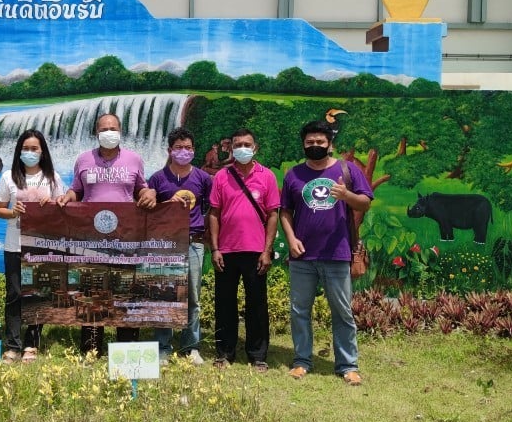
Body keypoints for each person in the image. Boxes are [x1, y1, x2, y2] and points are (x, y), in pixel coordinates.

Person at [280, 120, 372, 386]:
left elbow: (365, 202)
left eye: (320, 142)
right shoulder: (293, 175)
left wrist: (346, 195)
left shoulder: (348, 169)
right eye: (310, 142)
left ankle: (348, 365)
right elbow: (285, 211)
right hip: (302, 256)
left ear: (330, 143)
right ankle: (301, 361)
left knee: (342, 311)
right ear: (303, 144)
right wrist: (291, 238)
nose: (315, 146)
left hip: (337, 253)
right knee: (299, 310)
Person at [58, 112, 156, 354]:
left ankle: (126, 350)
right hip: (91, 239)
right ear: (96, 133)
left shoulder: (134, 160)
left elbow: (141, 189)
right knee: (92, 293)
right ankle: (91, 350)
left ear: (120, 132)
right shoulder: (83, 160)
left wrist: (150, 193)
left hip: (124, 240)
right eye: (104, 129)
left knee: (124, 293)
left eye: (113, 128)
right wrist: (66, 197)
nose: (109, 133)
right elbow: (76, 190)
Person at [207, 128, 280, 371]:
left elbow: (272, 215)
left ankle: (257, 354)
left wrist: (267, 250)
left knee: (257, 304)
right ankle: (224, 352)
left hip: (256, 251)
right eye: (238, 144)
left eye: (247, 144)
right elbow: (214, 213)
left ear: (255, 147)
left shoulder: (267, 176)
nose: (242, 149)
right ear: (230, 148)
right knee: (224, 303)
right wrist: (215, 248)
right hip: (226, 251)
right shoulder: (222, 177)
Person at [0, 129, 67, 363]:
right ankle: (13, 344)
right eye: (25, 148)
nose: (30, 152)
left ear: (42, 151)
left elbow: (63, 207)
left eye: (34, 148)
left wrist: (53, 203)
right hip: (14, 245)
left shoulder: (52, 177)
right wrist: (12, 211)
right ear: (19, 151)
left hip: (42, 246)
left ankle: (31, 344)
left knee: (39, 294)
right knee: (14, 294)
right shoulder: (9, 177)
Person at [145, 127, 211, 365]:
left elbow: (210, 209)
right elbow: (147, 212)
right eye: (179, 148)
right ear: (170, 151)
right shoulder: (157, 178)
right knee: (164, 296)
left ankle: (191, 346)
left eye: (188, 148)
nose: (184, 152)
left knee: (193, 298)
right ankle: (163, 347)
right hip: (165, 245)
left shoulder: (203, 178)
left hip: (193, 244)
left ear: (194, 150)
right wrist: (166, 205)